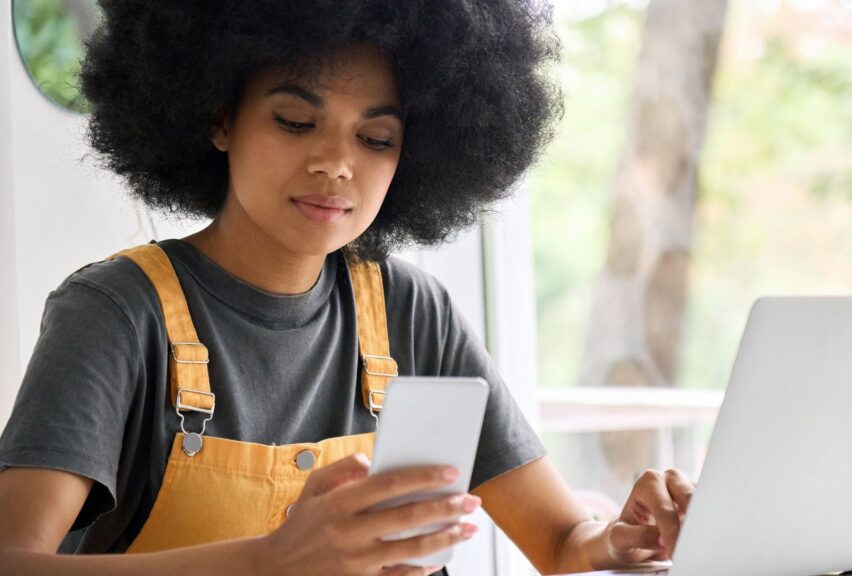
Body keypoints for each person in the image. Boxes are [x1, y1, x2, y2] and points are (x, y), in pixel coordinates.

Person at [0, 2, 695, 575]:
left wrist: (623, 538)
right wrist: (266, 562)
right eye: (296, 122)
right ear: (218, 118)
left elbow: (561, 544)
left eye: (377, 139)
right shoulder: (117, 312)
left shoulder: (409, 311)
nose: (336, 163)